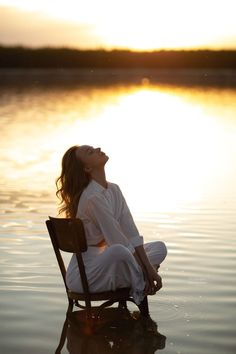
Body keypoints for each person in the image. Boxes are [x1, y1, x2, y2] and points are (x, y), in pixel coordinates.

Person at [56, 145, 167, 313]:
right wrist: (148, 268)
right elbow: (117, 240)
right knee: (119, 250)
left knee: (159, 247)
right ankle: (140, 280)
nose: (98, 148)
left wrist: (149, 268)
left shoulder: (114, 189)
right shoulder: (92, 197)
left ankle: (139, 276)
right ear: (87, 168)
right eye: (90, 152)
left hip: (110, 263)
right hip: (86, 276)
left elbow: (131, 232)